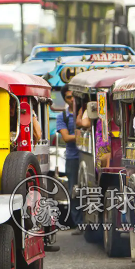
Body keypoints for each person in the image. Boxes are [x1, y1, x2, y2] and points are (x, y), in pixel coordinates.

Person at [56, 85, 83, 234]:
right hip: (73, 158)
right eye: (68, 97)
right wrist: (85, 136)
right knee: (74, 191)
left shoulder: (84, 113)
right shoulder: (63, 117)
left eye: (74, 96)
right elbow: (66, 138)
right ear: (64, 99)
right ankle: (79, 223)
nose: (72, 99)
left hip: (91, 157)